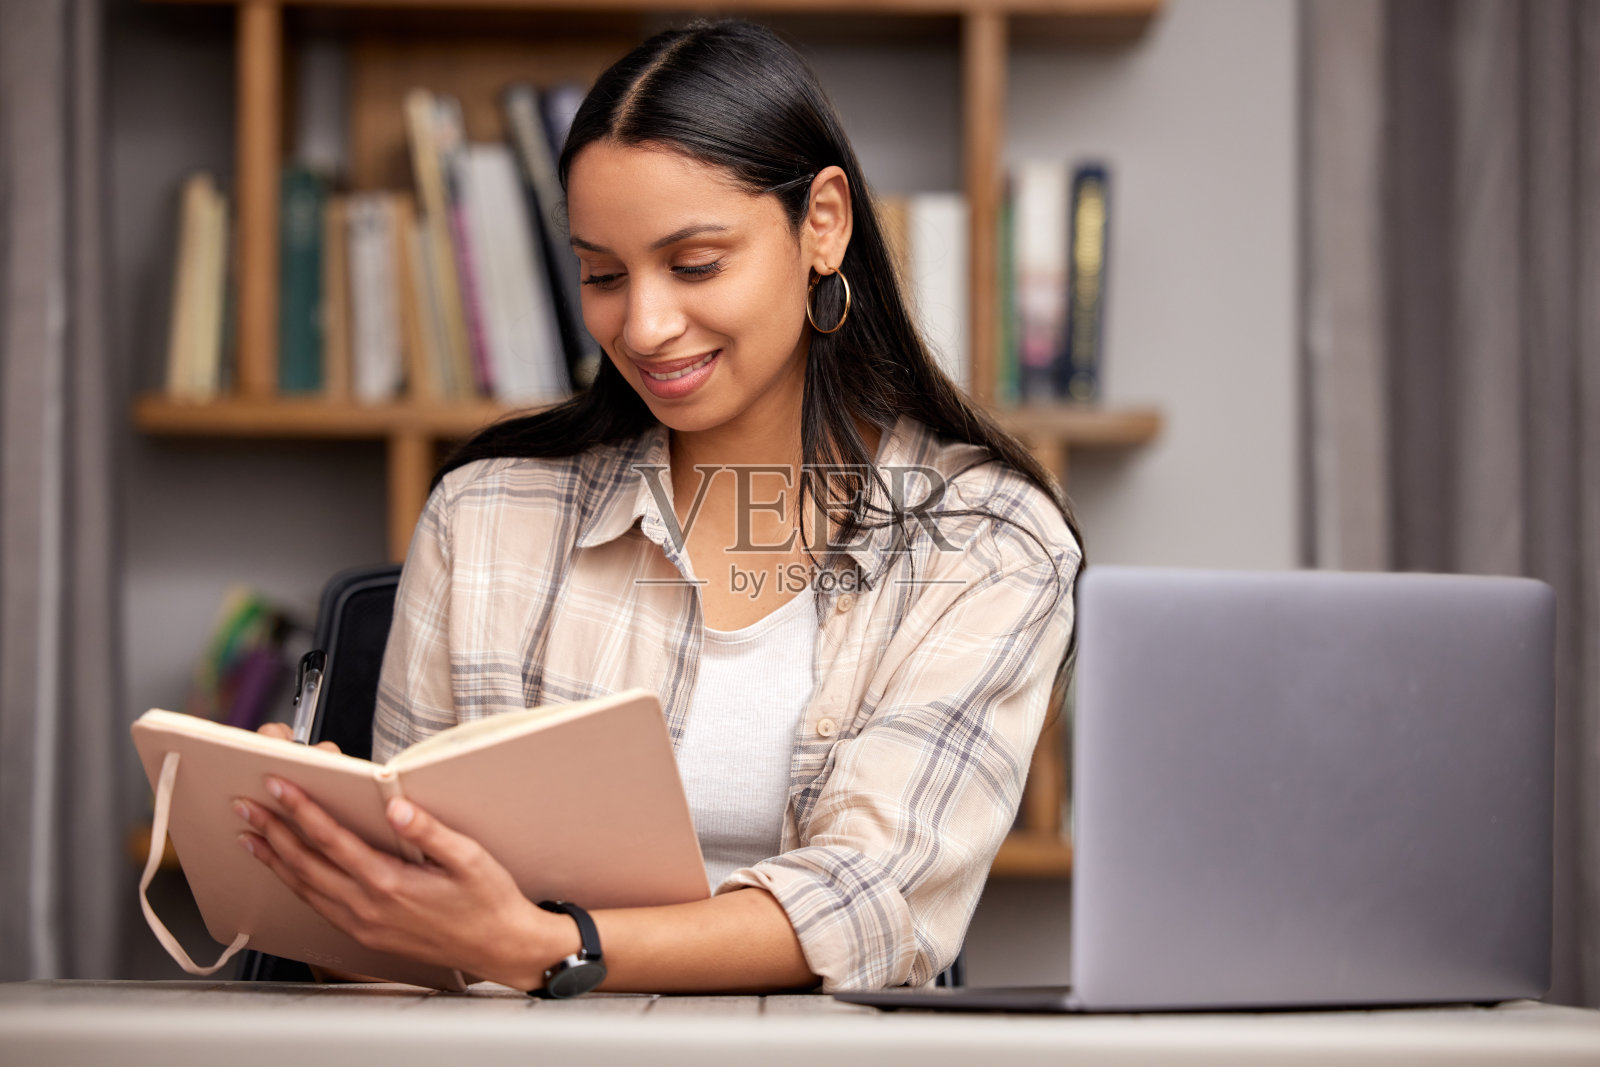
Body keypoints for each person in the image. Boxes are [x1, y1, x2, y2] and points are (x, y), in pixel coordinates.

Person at [238, 18, 1082, 995]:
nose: (641, 325)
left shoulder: (984, 537)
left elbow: (873, 899)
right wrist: (327, 872)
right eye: (601, 274)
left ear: (823, 223)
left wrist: (549, 944)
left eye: (693, 264)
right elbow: (404, 961)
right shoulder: (486, 515)